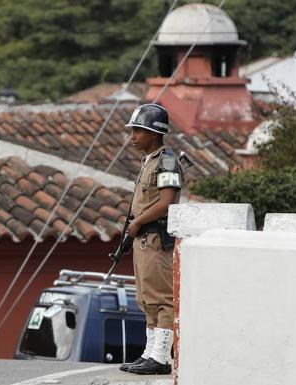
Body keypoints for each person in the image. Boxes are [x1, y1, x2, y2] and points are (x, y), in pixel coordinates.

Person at [118, 104, 182, 375]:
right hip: (143, 239)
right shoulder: (150, 162)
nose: (132, 136)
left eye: (138, 131)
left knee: (161, 298)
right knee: (146, 298)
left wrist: (139, 221)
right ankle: (150, 353)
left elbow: (167, 202)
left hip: (156, 238)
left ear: (154, 133)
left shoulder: (167, 161)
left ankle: (161, 357)